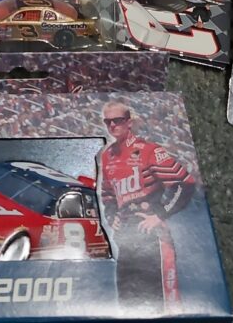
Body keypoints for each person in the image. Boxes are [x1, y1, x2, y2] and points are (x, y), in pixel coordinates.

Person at [99, 101, 196, 311]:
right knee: (128, 303)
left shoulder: (149, 150)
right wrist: (112, 215)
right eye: (108, 122)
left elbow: (185, 184)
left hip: (153, 237)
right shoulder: (107, 156)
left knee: (162, 304)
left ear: (129, 122)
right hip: (126, 240)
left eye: (118, 120)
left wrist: (159, 214)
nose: (113, 125)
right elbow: (107, 193)